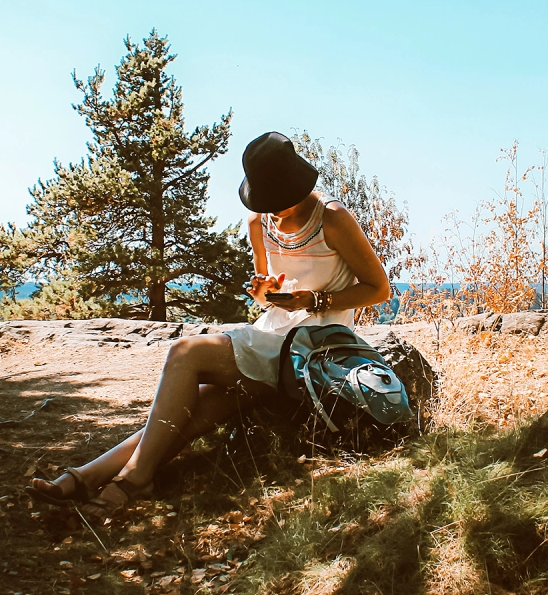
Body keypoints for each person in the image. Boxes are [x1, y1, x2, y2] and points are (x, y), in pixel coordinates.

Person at [26, 131, 391, 515]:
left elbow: (379, 288)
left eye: (278, 201)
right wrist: (264, 293)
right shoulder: (259, 221)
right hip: (273, 334)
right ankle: (86, 478)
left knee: (186, 352)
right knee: (190, 412)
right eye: (265, 201)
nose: (272, 209)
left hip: (314, 349)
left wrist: (316, 300)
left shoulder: (331, 218)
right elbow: (268, 296)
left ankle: (131, 479)